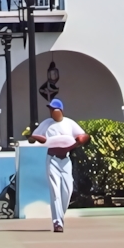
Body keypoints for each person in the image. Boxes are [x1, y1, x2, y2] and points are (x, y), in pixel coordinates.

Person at [28, 98, 89, 233]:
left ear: (60, 110)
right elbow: (35, 135)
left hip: (66, 160)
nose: (51, 111)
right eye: (50, 109)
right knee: (55, 192)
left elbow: (83, 135)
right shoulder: (46, 124)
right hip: (52, 160)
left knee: (67, 191)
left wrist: (80, 140)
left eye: (54, 109)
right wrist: (33, 138)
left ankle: (60, 216)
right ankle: (57, 223)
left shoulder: (69, 123)